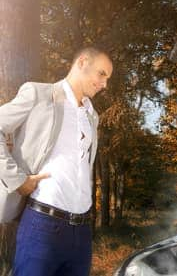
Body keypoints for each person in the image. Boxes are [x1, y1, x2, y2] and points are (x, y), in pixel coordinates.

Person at [0, 47, 113, 275]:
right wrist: (16, 178)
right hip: (42, 224)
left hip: (82, 232)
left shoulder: (93, 116)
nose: (105, 84)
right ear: (82, 62)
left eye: (107, 78)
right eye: (102, 74)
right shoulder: (39, 95)